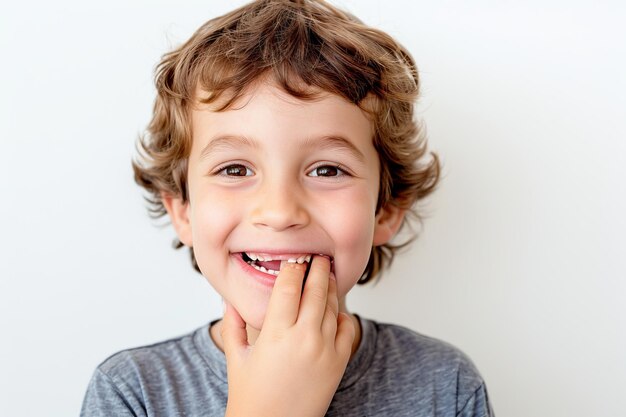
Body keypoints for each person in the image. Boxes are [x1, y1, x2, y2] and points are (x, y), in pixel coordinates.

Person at [81, 0, 494, 415]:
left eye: (328, 170)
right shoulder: (130, 393)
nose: (279, 213)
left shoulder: (446, 385)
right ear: (183, 211)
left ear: (385, 210)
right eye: (236, 169)